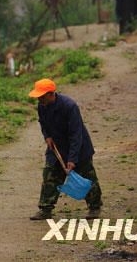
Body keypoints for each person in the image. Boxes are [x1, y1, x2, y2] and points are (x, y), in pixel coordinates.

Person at [28, 78, 102, 220]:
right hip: (56, 147)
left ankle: (94, 208)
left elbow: (76, 134)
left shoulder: (69, 106)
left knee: (86, 178)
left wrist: (72, 159)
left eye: (42, 96)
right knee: (49, 175)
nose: (39, 99)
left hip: (78, 147)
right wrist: (47, 136)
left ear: (51, 94)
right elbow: (43, 123)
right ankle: (45, 209)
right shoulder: (42, 105)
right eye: (38, 97)